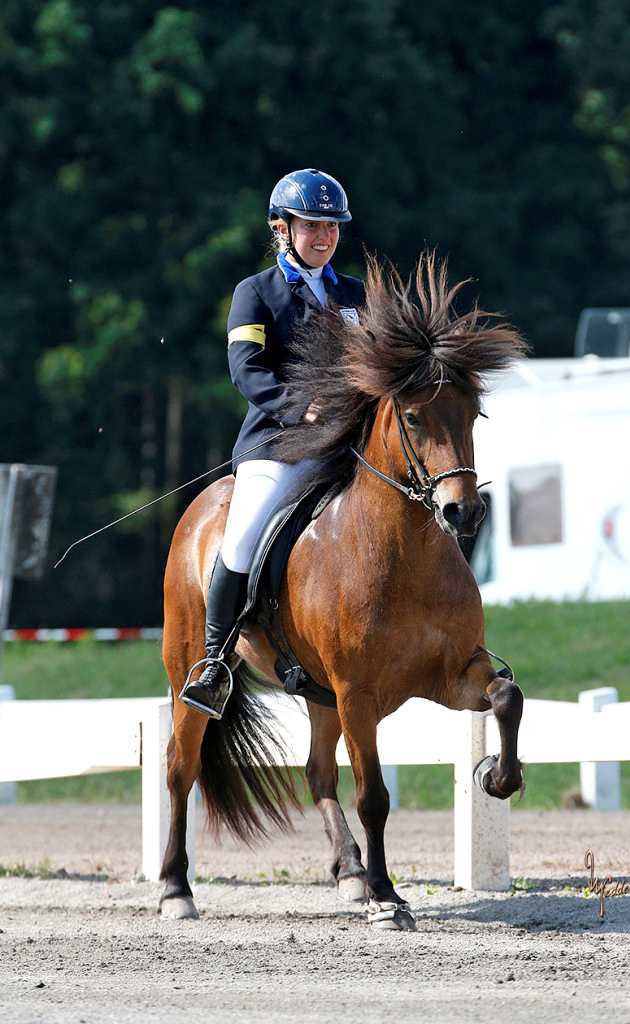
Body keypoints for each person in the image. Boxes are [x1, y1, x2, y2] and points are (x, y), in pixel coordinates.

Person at [180, 168, 365, 719]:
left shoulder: (356, 294)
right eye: (312, 225)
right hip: (281, 443)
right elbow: (246, 369)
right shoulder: (254, 294)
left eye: (332, 227)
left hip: (348, 443)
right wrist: (296, 406)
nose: (324, 236)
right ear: (282, 228)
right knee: (242, 537)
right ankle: (214, 662)